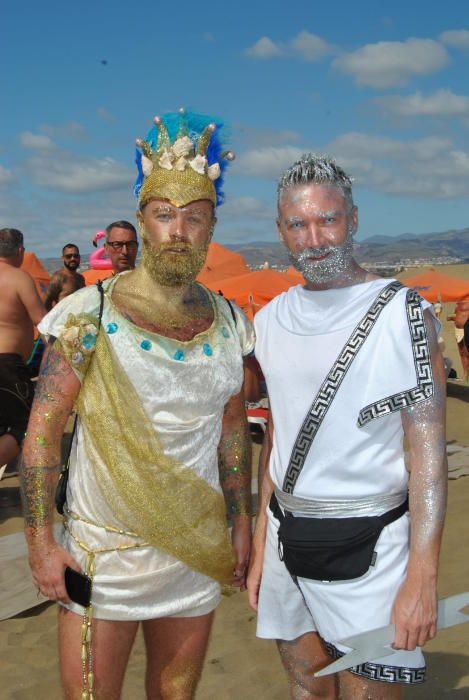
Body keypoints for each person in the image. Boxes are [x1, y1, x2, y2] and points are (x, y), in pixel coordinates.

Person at [20, 110, 253, 699]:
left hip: (193, 554)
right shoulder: (87, 315)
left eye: (195, 217)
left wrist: (241, 521)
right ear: (144, 222)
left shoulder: (230, 322)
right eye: (164, 213)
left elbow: (232, 429)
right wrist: (42, 543)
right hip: (100, 557)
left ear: (212, 226)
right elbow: (43, 434)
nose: (179, 230)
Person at [247, 154, 447, 699]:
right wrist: (264, 544)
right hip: (288, 538)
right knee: (307, 687)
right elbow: (278, 443)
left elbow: (427, 460)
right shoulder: (269, 321)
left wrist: (423, 578)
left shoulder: (403, 315)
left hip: (373, 546)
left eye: (328, 220)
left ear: (353, 220)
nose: (316, 239)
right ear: (281, 231)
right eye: (299, 224)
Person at [0, 228, 45, 465]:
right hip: (7, 366)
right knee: (25, 425)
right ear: (20, 251)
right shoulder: (19, 278)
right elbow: (43, 322)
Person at [45, 243, 85, 311]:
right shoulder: (58, 278)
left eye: (75, 256)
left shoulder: (80, 278)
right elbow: (46, 302)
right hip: (63, 319)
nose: (73, 258)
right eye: (68, 256)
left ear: (79, 257)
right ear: (63, 258)